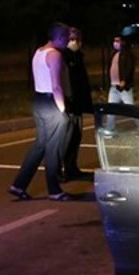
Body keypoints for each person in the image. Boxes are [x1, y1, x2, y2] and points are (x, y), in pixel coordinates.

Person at [9, 23, 74, 201]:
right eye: (67, 38)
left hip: (38, 101)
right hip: (51, 101)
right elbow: (56, 85)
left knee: (40, 145)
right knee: (53, 148)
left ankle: (19, 185)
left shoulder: (39, 52)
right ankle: (54, 190)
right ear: (59, 37)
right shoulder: (55, 55)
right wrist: (62, 109)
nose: (69, 41)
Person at [61, 26, 93, 181]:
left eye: (76, 39)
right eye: (71, 39)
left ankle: (72, 167)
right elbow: (67, 84)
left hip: (78, 104)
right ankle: (63, 170)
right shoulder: (64, 57)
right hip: (69, 105)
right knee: (67, 138)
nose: (74, 42)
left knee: (76, 136)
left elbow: (82, 82)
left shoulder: (78, 57)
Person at [106, 34, 137, 106]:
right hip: (114, 86)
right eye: (114, 41)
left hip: (124, 88)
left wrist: (124, 80)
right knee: (110, 110)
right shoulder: (113, 54)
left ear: (123, 42)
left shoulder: (127, 54)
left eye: (117, 41)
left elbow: (129, 68)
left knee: (131, 109)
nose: (115, 43)